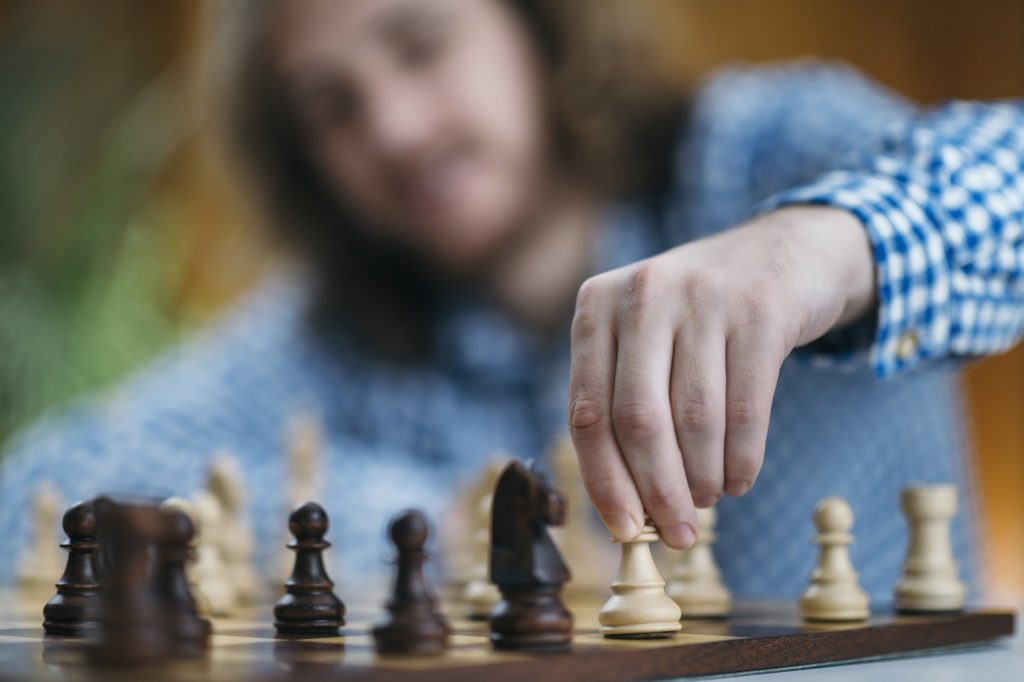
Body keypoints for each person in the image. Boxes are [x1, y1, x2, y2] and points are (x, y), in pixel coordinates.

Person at [1, 0, 1021, 599]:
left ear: (534, 26)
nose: (392, 128)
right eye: (331, 105)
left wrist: (818, 249)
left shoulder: (761, 152)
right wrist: (424, 526)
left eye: (419, 44)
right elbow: (33, 489)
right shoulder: (330, 336)